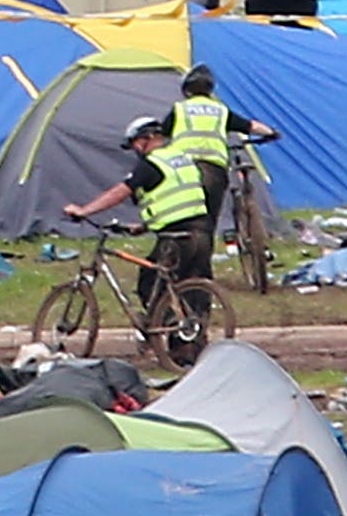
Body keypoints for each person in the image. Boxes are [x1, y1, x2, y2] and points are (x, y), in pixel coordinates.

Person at [62, 116, 213, 329]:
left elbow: (119, 192)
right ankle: (192, 346)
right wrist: (144, 227)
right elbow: (179, 200)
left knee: (149, 281)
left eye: (135, 143)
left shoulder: (151, 164)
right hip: (202, 232)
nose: (134, 149)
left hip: (176, 237)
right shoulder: (181, 158)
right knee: (193, 291)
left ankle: (168, 329)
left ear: (148, 138)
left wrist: (84, 210)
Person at [161, 63, 274, 242]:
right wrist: (271, 133)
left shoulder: (180, 110)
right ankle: (203, 258)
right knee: (209, 217)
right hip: (213, 168)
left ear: (187, 90)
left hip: (184, 168)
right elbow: (250, 126)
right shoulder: (220, 111)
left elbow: (163, 133)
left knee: (182, 214)